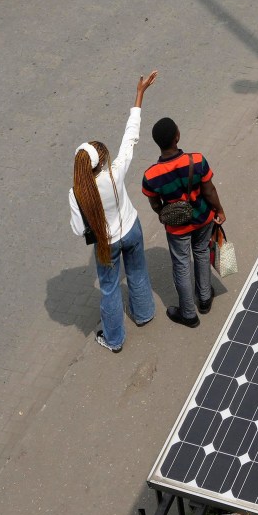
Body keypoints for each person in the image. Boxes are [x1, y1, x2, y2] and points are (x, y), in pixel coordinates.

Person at [71, 72, 161, 353]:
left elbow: (77, 229)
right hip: (132, 230)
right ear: (102, 162)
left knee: (109, 289)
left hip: (106, 244)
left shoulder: (77, 193)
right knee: (137, 272)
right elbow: (130, 138)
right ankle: (144, 314)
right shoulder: (114, 174)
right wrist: (139, 94)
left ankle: (114, 339)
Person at [141, 110, 227, 328]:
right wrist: (219, 210)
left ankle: (188, 314)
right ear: (177, 136)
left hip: (177, 228)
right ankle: (205, 299)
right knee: (201, 252)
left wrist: (166, 214)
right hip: (202, 219)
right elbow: (209, 190)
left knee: (181, 265)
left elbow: (154, 204)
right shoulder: (197, 160)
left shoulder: (151, 175)